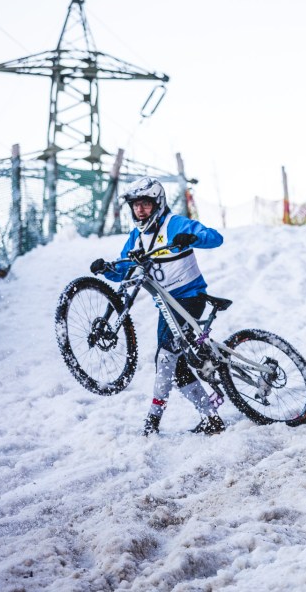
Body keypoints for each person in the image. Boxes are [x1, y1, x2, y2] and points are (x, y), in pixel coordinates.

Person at [90, 177, 225, 436]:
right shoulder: (137, 237)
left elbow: (215, 238)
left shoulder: (174, 224)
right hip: (167, 306)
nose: (140, 210)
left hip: (190, 298)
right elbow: (124, 269)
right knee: (177, 365)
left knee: (165, 356)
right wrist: (106, 269)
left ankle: (153, 420)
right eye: (135, 205)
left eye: (145, 204)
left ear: (158, 203)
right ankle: (211, 417)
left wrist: (192, 237)